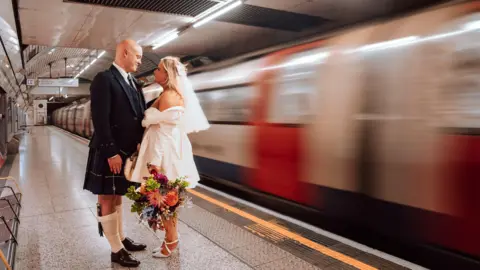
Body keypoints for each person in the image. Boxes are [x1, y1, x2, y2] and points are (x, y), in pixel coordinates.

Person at [130, 56, 210, 258]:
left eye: (157, 69)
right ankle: (170, 239)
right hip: (169, 151)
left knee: (164, 200)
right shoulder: (168, 94)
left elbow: (163, 134)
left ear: (166, 74)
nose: (154, 72)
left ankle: (171, 241)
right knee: (167, 200)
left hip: (164, 155)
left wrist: (154, 164)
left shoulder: (168, 97)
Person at [83, 39, 147, 267]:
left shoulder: (133, 82)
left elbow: (141, 114)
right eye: (138, 56)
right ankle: (115, 250)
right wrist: (111, 152)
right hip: (109, 150)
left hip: (127, 151)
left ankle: (119, 237)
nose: (140, 61)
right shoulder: (104, 79)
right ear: (125, 53)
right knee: (107, 197)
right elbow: (100, 119)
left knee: (118, 194)